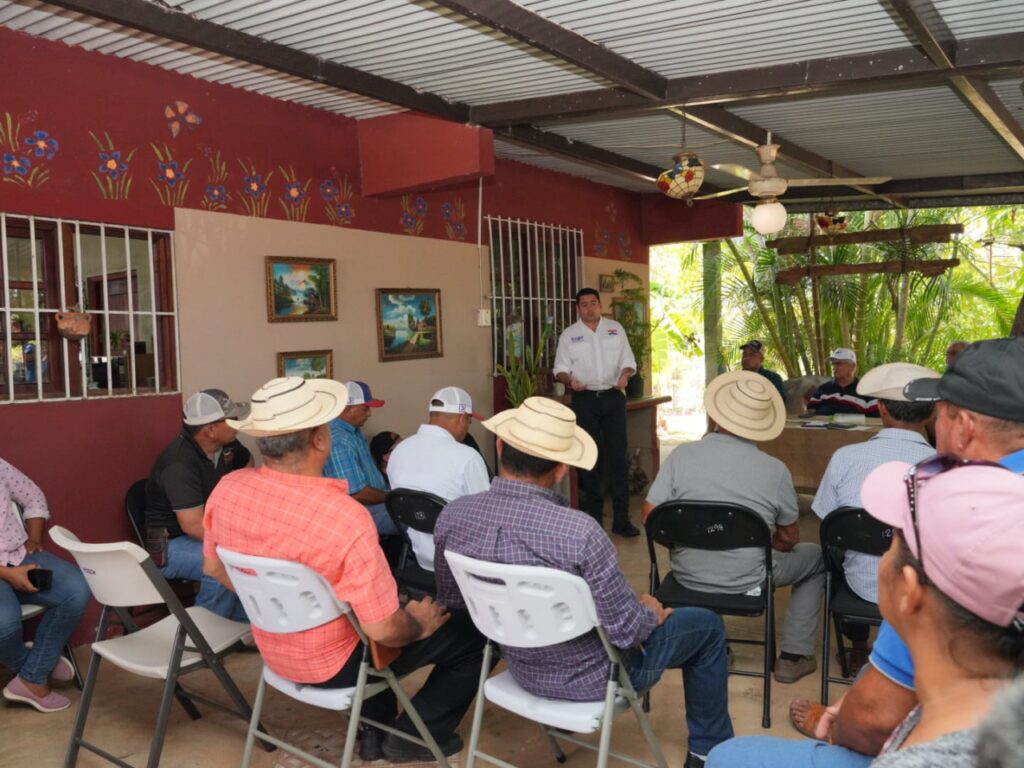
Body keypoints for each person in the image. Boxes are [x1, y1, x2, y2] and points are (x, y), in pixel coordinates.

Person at [709, 337, 1024, 768]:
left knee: (730, 756)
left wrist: (846, 724)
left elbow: (877, 718)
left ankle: (828, 658)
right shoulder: (975, 487)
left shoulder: (951, 518)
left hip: (889, 685)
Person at [435, 397, 733, 768]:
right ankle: (710, 751)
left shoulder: (454, 515)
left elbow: (453, 598)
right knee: (706, 626)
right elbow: (626, 632)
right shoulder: (579, 532)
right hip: (596, 680)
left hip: (520, 669)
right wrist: (649, 610)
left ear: (499, 446)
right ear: (562, 468)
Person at [202, 376, 485, 763]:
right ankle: (413, 738)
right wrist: (419, 623)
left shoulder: (228, 489)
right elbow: (382, 630)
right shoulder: (343, 517)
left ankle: (372, 734)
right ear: (320, 439)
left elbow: (215, 569)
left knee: (368, 607)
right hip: (336, 665)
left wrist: (283, 603)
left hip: (273, 650)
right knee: (471, 634)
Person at [644, 370, 824, 684]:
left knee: (713, 549)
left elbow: (651, 518)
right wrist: (760, 545)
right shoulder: (775, 470)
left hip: (687, 575)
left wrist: (691, 540)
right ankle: (794, 656)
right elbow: (790, 536)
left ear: (716, 414)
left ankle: (713, 646)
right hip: (749, 578)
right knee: (816, 556)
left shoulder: (681, 456)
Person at [810, 363, 937, 674]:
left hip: (861, 586)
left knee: (836, 553)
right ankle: (913, 653)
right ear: (931, 414)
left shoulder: (845, 457)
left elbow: (827, 525)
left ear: (880, 409)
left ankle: (857, 648)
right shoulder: (946, 469)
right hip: (923, 593)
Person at [145, 388, 251, 621]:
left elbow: (248, 463)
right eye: (231, 419)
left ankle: (239, 625)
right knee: (224, 560)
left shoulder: (228, 446)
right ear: (210, 430)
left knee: (246, 555)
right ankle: (206, 635)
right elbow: (192, 526)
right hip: (165, 545)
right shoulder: (179, 463)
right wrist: (240, 540)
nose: (237, 423)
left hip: (204, 533)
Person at [0, 458, 90, 713]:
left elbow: (33, 496)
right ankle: (35, 667)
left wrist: (34, 537)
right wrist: (9, 575)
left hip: (20, 553)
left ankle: (31, 675)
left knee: (77, 589)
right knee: (4, 624)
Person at [553, 287, 639, 536]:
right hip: (585, 399)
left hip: (613, 398)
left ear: (600, 305)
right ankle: (594, 521)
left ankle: (622, 519)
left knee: (617, 457)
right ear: (578, 308)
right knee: (589, 457)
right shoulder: (569, 335)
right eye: (584, 304)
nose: (589, 308)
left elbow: (629, 361)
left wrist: (625, 375)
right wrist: (569, 381)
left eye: (593, 303)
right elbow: (559, 368)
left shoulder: (615, 329)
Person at [386, 386, 490, 571]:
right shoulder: (467, 456)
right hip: (460, 561)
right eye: (469, 422)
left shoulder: (399, 451)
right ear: (463, 418)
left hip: (420, 556)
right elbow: (485, 516)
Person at [323, 380, 398, 536]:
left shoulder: (353, 431)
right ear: (350, 409)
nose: (369, 413)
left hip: (374, 503)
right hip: (359, 512)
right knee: (414, 516)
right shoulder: (338, 440)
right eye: (365, 408)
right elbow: (356, 493)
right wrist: (391, 498)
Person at [807, 348, 879, 417]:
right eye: (833, 364)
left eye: (839, 363)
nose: (834, 367)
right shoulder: (823, 389)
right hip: (822, 428)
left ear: (853, 366)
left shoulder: (866, 390)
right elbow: (810, 411)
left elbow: (876, 420)